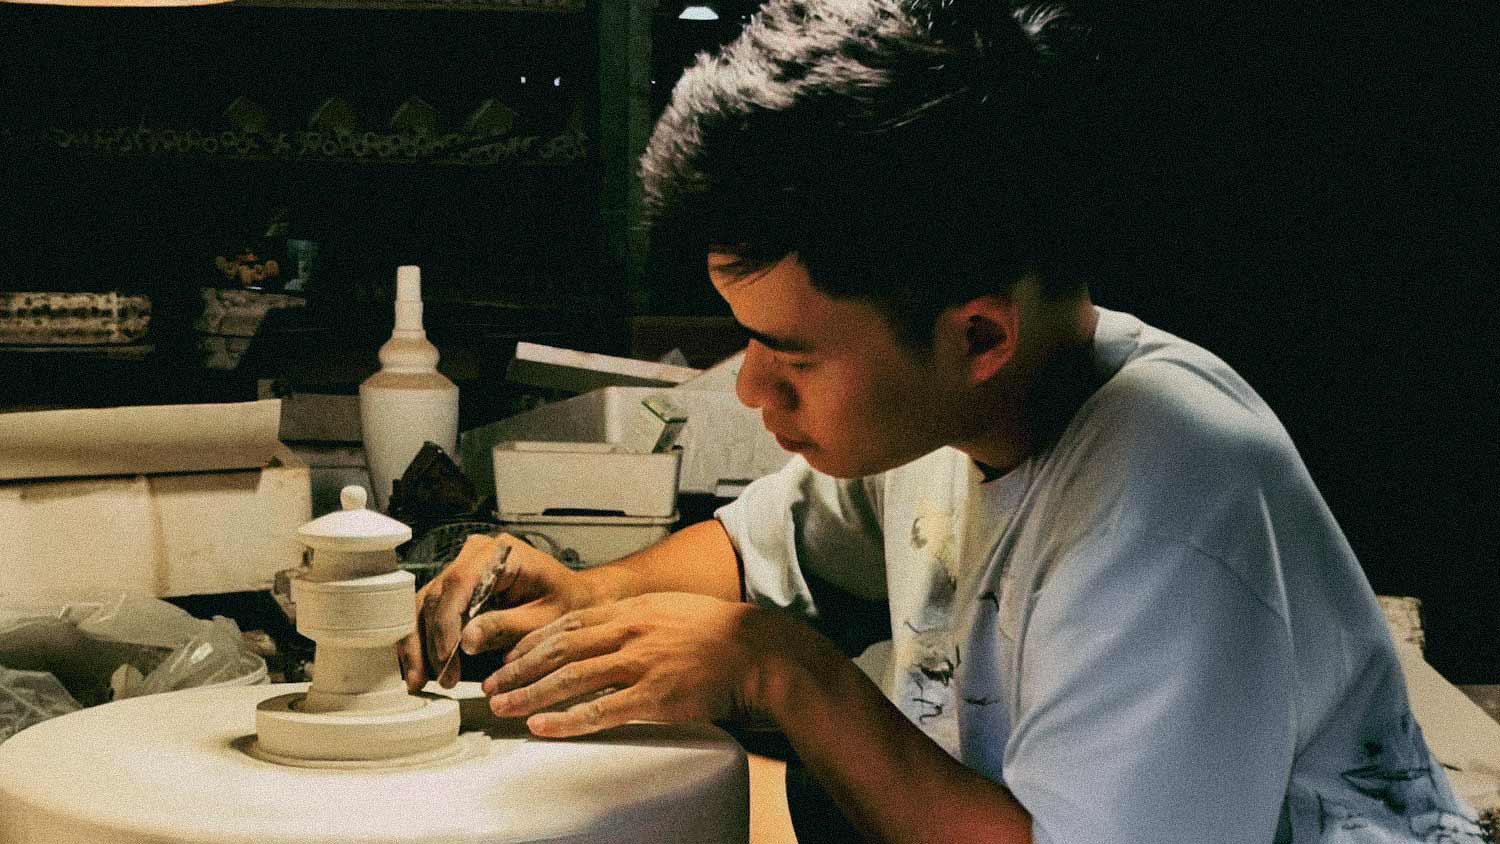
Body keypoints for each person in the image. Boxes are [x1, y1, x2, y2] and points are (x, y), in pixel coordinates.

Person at [397, 1, 1485, 841]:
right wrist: (586, 595)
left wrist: (784, 670)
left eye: (790, 355)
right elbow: (758, 547)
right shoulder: (947, 411)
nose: (749, 393)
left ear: (977, 337)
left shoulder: (1165, 511)